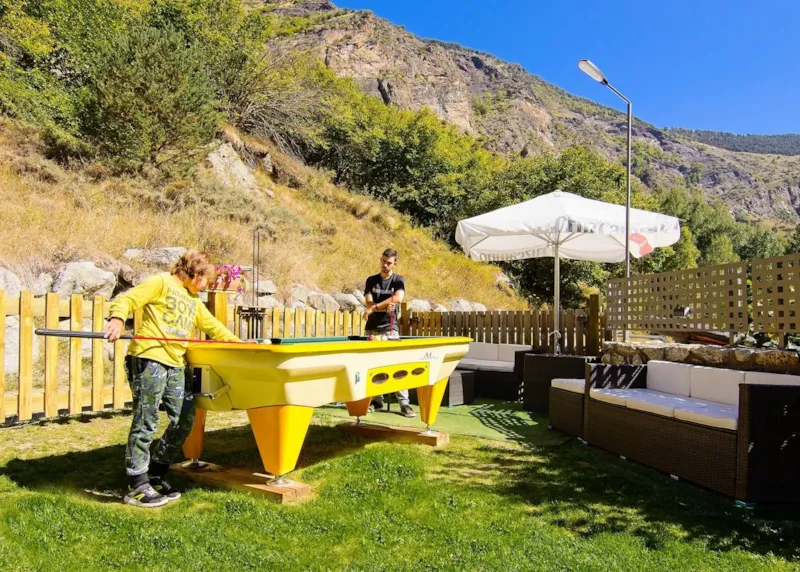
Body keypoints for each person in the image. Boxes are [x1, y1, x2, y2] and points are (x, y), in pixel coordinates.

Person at [103, 250, 243, 508]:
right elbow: (127, 300)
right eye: (205, 280)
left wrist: (241, 344)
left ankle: (156, 471)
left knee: (185, 418)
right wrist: (117, 319)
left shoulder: (193, 300)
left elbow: (213, 326)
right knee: (146, 420)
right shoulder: (161, 282)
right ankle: (136, 484)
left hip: (177, 364)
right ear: (194, 273)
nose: (206, 286)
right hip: (150, 359)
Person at [363, 248, 415, 418]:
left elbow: (398, 298)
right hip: (372, 328)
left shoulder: (398, 280)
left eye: (389, 263)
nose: (385, 265)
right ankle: (377, 400)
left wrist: (379, 306)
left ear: (395, 263)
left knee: (397, 364)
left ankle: (404, 404)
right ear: (380, 260)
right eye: (383, 261)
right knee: (374, 366)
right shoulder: (371, 280)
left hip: (390, 327)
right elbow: (369, 301)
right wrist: (383, 305)